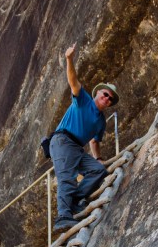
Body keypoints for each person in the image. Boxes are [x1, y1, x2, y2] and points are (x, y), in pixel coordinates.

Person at [49, 43, 120, 231]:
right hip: (63, 141)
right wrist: (69, 59)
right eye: (105, 94)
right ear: (98, 93)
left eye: (110, 99)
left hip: (77, 148)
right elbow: (73, 81)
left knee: (98, 170)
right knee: (67, 178)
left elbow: (94, 141)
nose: (107, 99)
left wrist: (98, 158)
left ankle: (74, 200)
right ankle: (63, 216)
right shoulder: (84, 100)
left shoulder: (101, 121)